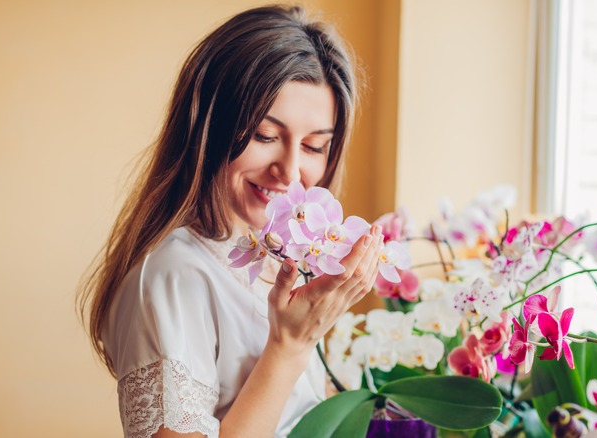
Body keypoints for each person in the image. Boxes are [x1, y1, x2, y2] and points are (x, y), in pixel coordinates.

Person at [79, 5, 383, 437]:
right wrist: (289, 347)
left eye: (315, 146)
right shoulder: (173, 275)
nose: (291, 171)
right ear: (208, 128)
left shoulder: (268, 258)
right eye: (264, 136)